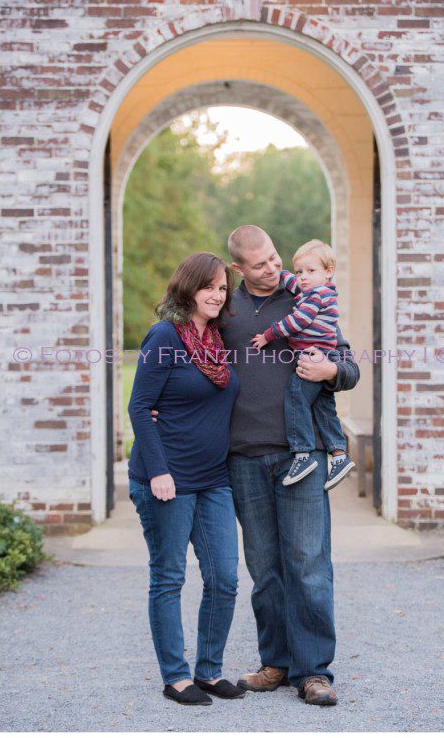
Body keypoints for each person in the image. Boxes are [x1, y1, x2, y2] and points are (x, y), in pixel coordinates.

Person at [223, 224, 358, 707]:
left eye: (275, 257)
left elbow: (349, 367)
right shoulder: (225, 308)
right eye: (259, 264)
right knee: (265, 568)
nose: (273, 268)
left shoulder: (306, 293)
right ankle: (275, 663)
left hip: (304, 454)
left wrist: (330, 371)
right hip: (243, 457)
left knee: (308, 565)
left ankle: (314, 671)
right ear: (239, 268)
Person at [127, 252, 244, 705]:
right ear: (188, 288)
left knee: (225, 577)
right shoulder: (164, 336)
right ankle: (176, 677)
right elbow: (140, 406)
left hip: (214, 478)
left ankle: (209, 670)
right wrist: (158, 470)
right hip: (168, 480)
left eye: (222, 288)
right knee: (169, 576)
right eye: (208, 286)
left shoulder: (216, 339)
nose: (216, 295)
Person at [248, 239, 354, 489]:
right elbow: (293, 283)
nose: (303, 277)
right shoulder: (313, 290)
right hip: (322, 353)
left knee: (296, 397)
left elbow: (296, 321)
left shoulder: (315, 297)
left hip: (311, 356)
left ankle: (302, 454)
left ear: (329, 272)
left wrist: (268, 335)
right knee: (322, 406)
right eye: (299, 271)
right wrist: (278, 270)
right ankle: (339, 455)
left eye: (311, 271)